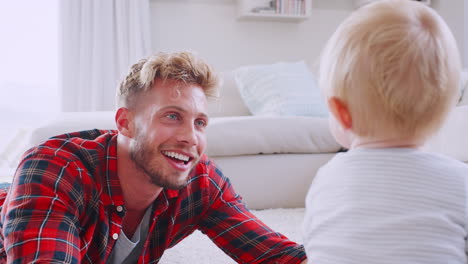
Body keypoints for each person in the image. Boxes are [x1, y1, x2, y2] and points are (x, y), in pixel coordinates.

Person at [0, 51, 307, 263]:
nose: (191, 137)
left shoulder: (199, 180)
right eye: (172, 116)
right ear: (125, 123)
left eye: (200, 122)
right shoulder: (56, 169)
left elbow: (277, 256)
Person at [302, 0, 468, 263]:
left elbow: (315, 247)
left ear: (341, 113)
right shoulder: (461, 180)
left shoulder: (327, 178)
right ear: (445, 111)